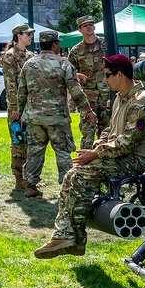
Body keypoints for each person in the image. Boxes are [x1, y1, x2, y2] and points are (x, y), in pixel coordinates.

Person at [34, 54, 145, 258]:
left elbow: (127, 143)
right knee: (73, 174)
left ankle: (70, 236)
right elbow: (109, 131)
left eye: (108, 75)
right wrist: (98, 146)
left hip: (134, 160)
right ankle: (69, 237)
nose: (105, 79)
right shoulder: (122, 98)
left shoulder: (140, 103)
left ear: (120, 75)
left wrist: (95, 153)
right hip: (119, 156)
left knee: (83, 174)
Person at [17, 31, 97, 198]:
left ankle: (30, 185)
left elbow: (21, 92)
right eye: (58, 43)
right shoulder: (63, 64)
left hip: (33, 118)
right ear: (54, 45)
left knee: (34, 152)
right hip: (57, 118)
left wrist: (22, 115)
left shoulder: (29, 64)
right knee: (62, 152)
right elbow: (76, 91)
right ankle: (67, 186)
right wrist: (88, 110)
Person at [67, 15, 112, 149]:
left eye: (91, 24)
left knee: (108, 132)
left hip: (107, 96)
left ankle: (107, 163)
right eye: (85, 25)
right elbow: (68, 73)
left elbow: (118, 64)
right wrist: (77, 74)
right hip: (88, 99)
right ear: (80, 29)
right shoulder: (76, 51)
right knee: (88, 134)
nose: (89, 27)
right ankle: (84, 165)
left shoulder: (106, 45)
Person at [1, 23, 34, 190]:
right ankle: (19, 178)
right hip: (18, 107)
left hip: (31, 107)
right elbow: (10, 84)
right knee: (18, 141)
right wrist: (15, 107)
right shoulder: (10, 56)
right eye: (28, 34)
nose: (30, 36)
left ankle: (29, 176)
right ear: (18, 36)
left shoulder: (31, 55)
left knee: (31, 143)